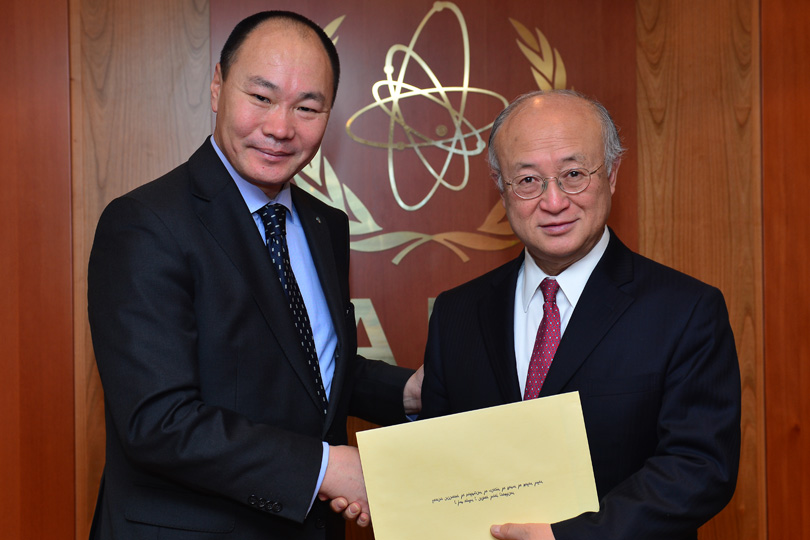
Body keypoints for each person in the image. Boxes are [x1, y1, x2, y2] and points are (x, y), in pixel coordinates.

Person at [87, 11, 422, 540]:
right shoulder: (145, 223)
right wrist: (326, 469)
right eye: (261, 97)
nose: (281, 128)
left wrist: (412, 393)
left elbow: (306, 369)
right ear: (218, 86)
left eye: (307, 107)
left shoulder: (324, 223)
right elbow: (157, 422)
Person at [419, 90, 740, 540]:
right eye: (527, 180)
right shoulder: (457, 313)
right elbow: (441, 460)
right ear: (500, 185)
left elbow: (699, 467)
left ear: (611, 174)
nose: (553, 202)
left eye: (573, 175)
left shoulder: (685, 310)